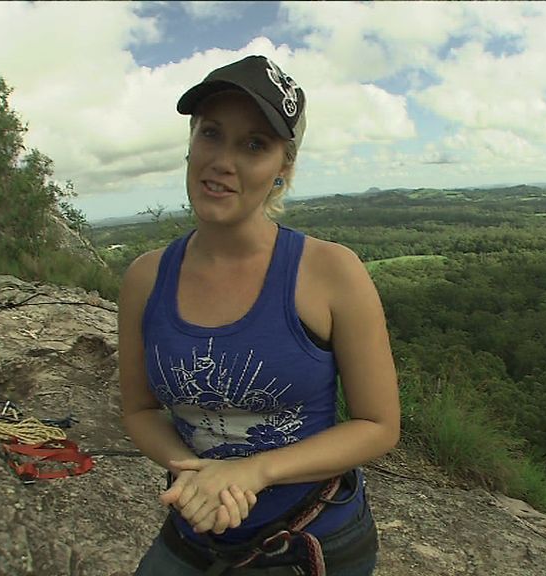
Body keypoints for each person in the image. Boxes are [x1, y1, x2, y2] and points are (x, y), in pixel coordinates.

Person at [118, 55, 401, 576]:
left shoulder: (330, 272)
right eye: (211, 133)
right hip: (194, 532)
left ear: (283, 168)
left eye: (254, 145)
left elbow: (378, 425)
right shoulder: (145, 278)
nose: (223, 161)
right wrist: (197, 475)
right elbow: (139, 410)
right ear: (190, 142)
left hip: (309, 539)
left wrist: (254, 472)